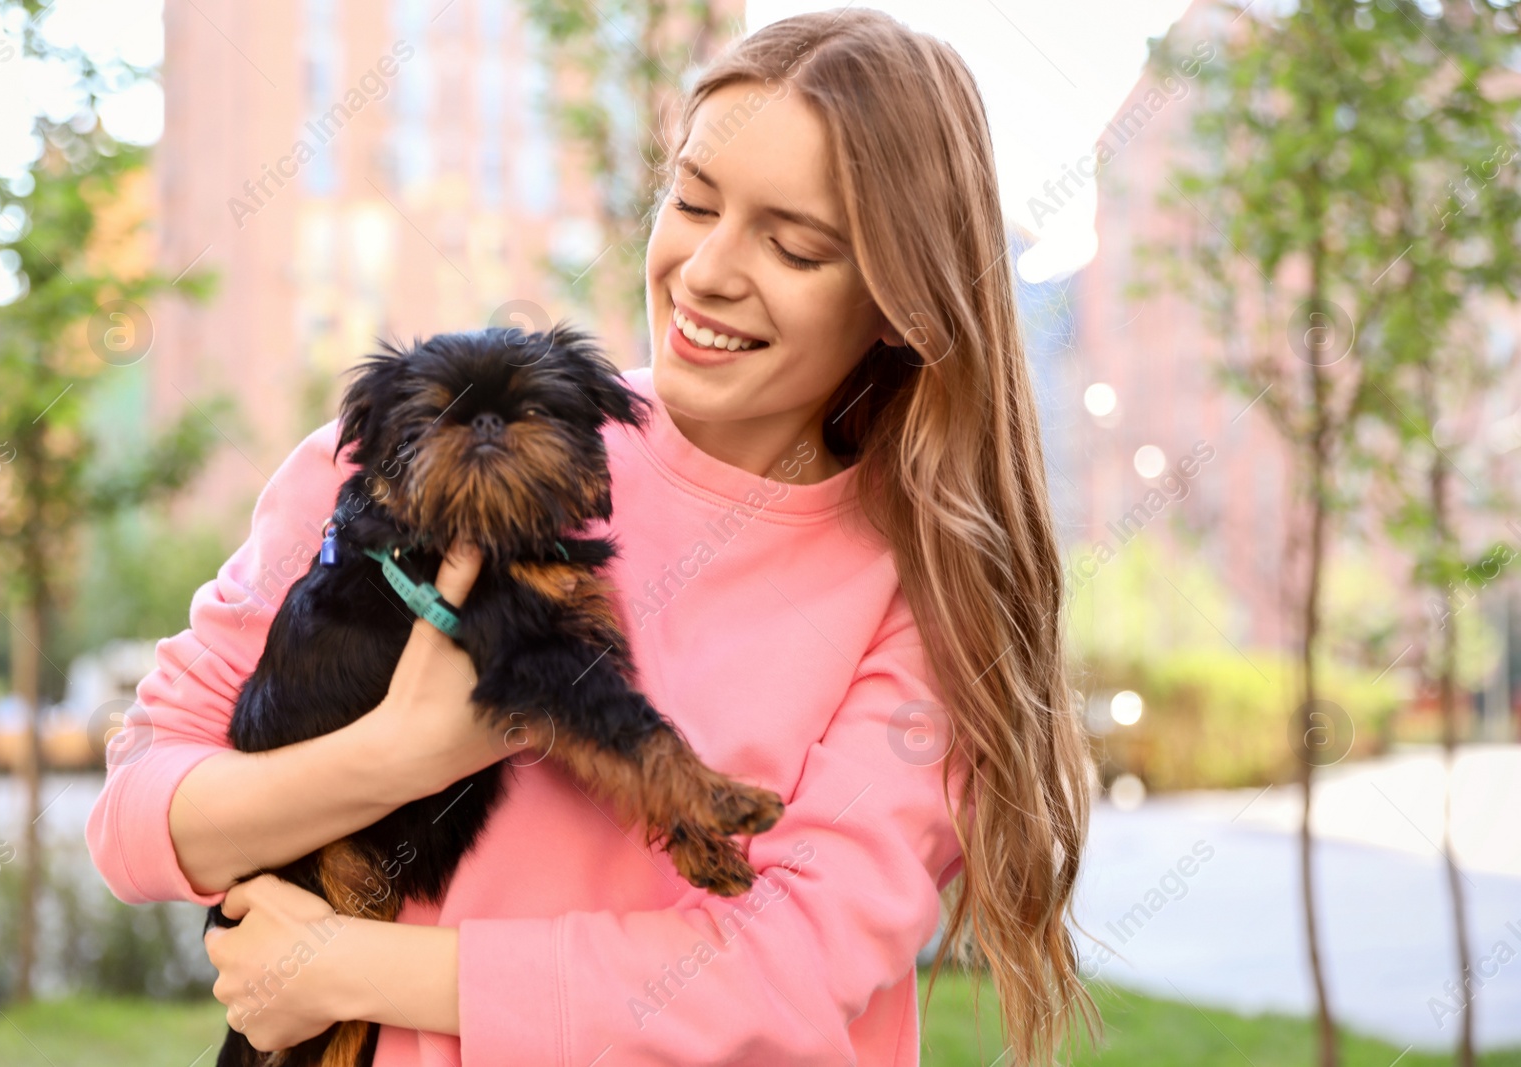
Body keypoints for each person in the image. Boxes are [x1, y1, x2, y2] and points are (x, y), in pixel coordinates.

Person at [85, 8, 1096, 1065]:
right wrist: (392, 755)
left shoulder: (921, 590)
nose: (706, 268)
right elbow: (138, 810)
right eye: (692, 200)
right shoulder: (426, 447)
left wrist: (344, 967)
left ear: (901, 303)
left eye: (793, 244)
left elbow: (785, 966)